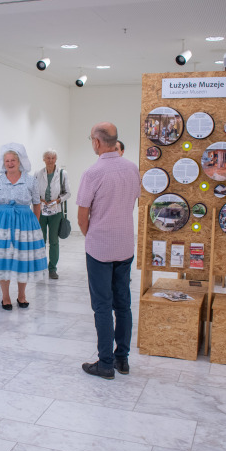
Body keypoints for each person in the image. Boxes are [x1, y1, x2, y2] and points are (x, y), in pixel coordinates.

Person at [78, 122, 140, 380]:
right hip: (125, 244)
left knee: (102, 306)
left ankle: (105, 363)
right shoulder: (133, 168)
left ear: (96, 142)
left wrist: (91, 234)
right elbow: (134, 202)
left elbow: (83, 215)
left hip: (100, 248)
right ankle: (121, 359)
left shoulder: (93, 173)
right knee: (123, 304)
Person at [0, 143, 46, 310]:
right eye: (7, 160)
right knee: (4, 260)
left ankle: (22, 295)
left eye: (13, 160)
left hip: (24, 224)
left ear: (19, 161)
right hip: (1, 224)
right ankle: (5, 297)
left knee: (22, 258)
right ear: (4, 162)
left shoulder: (30, 180)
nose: (10, 163)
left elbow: (37, 204)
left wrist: (34, 225)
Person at [35, 149, 70, 279]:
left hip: (56, 212)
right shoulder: (38, 174)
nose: (50, 160)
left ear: (56, 159)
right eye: (48, 158)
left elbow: (68, 193)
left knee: (54, 241)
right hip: (42, 212)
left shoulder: (62, 173)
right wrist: (39, 199)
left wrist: (58, 200)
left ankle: (52, 269)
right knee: (40, 240)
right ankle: (40, 267)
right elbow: (33, 191)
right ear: (43, 159)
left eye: (53, 158)